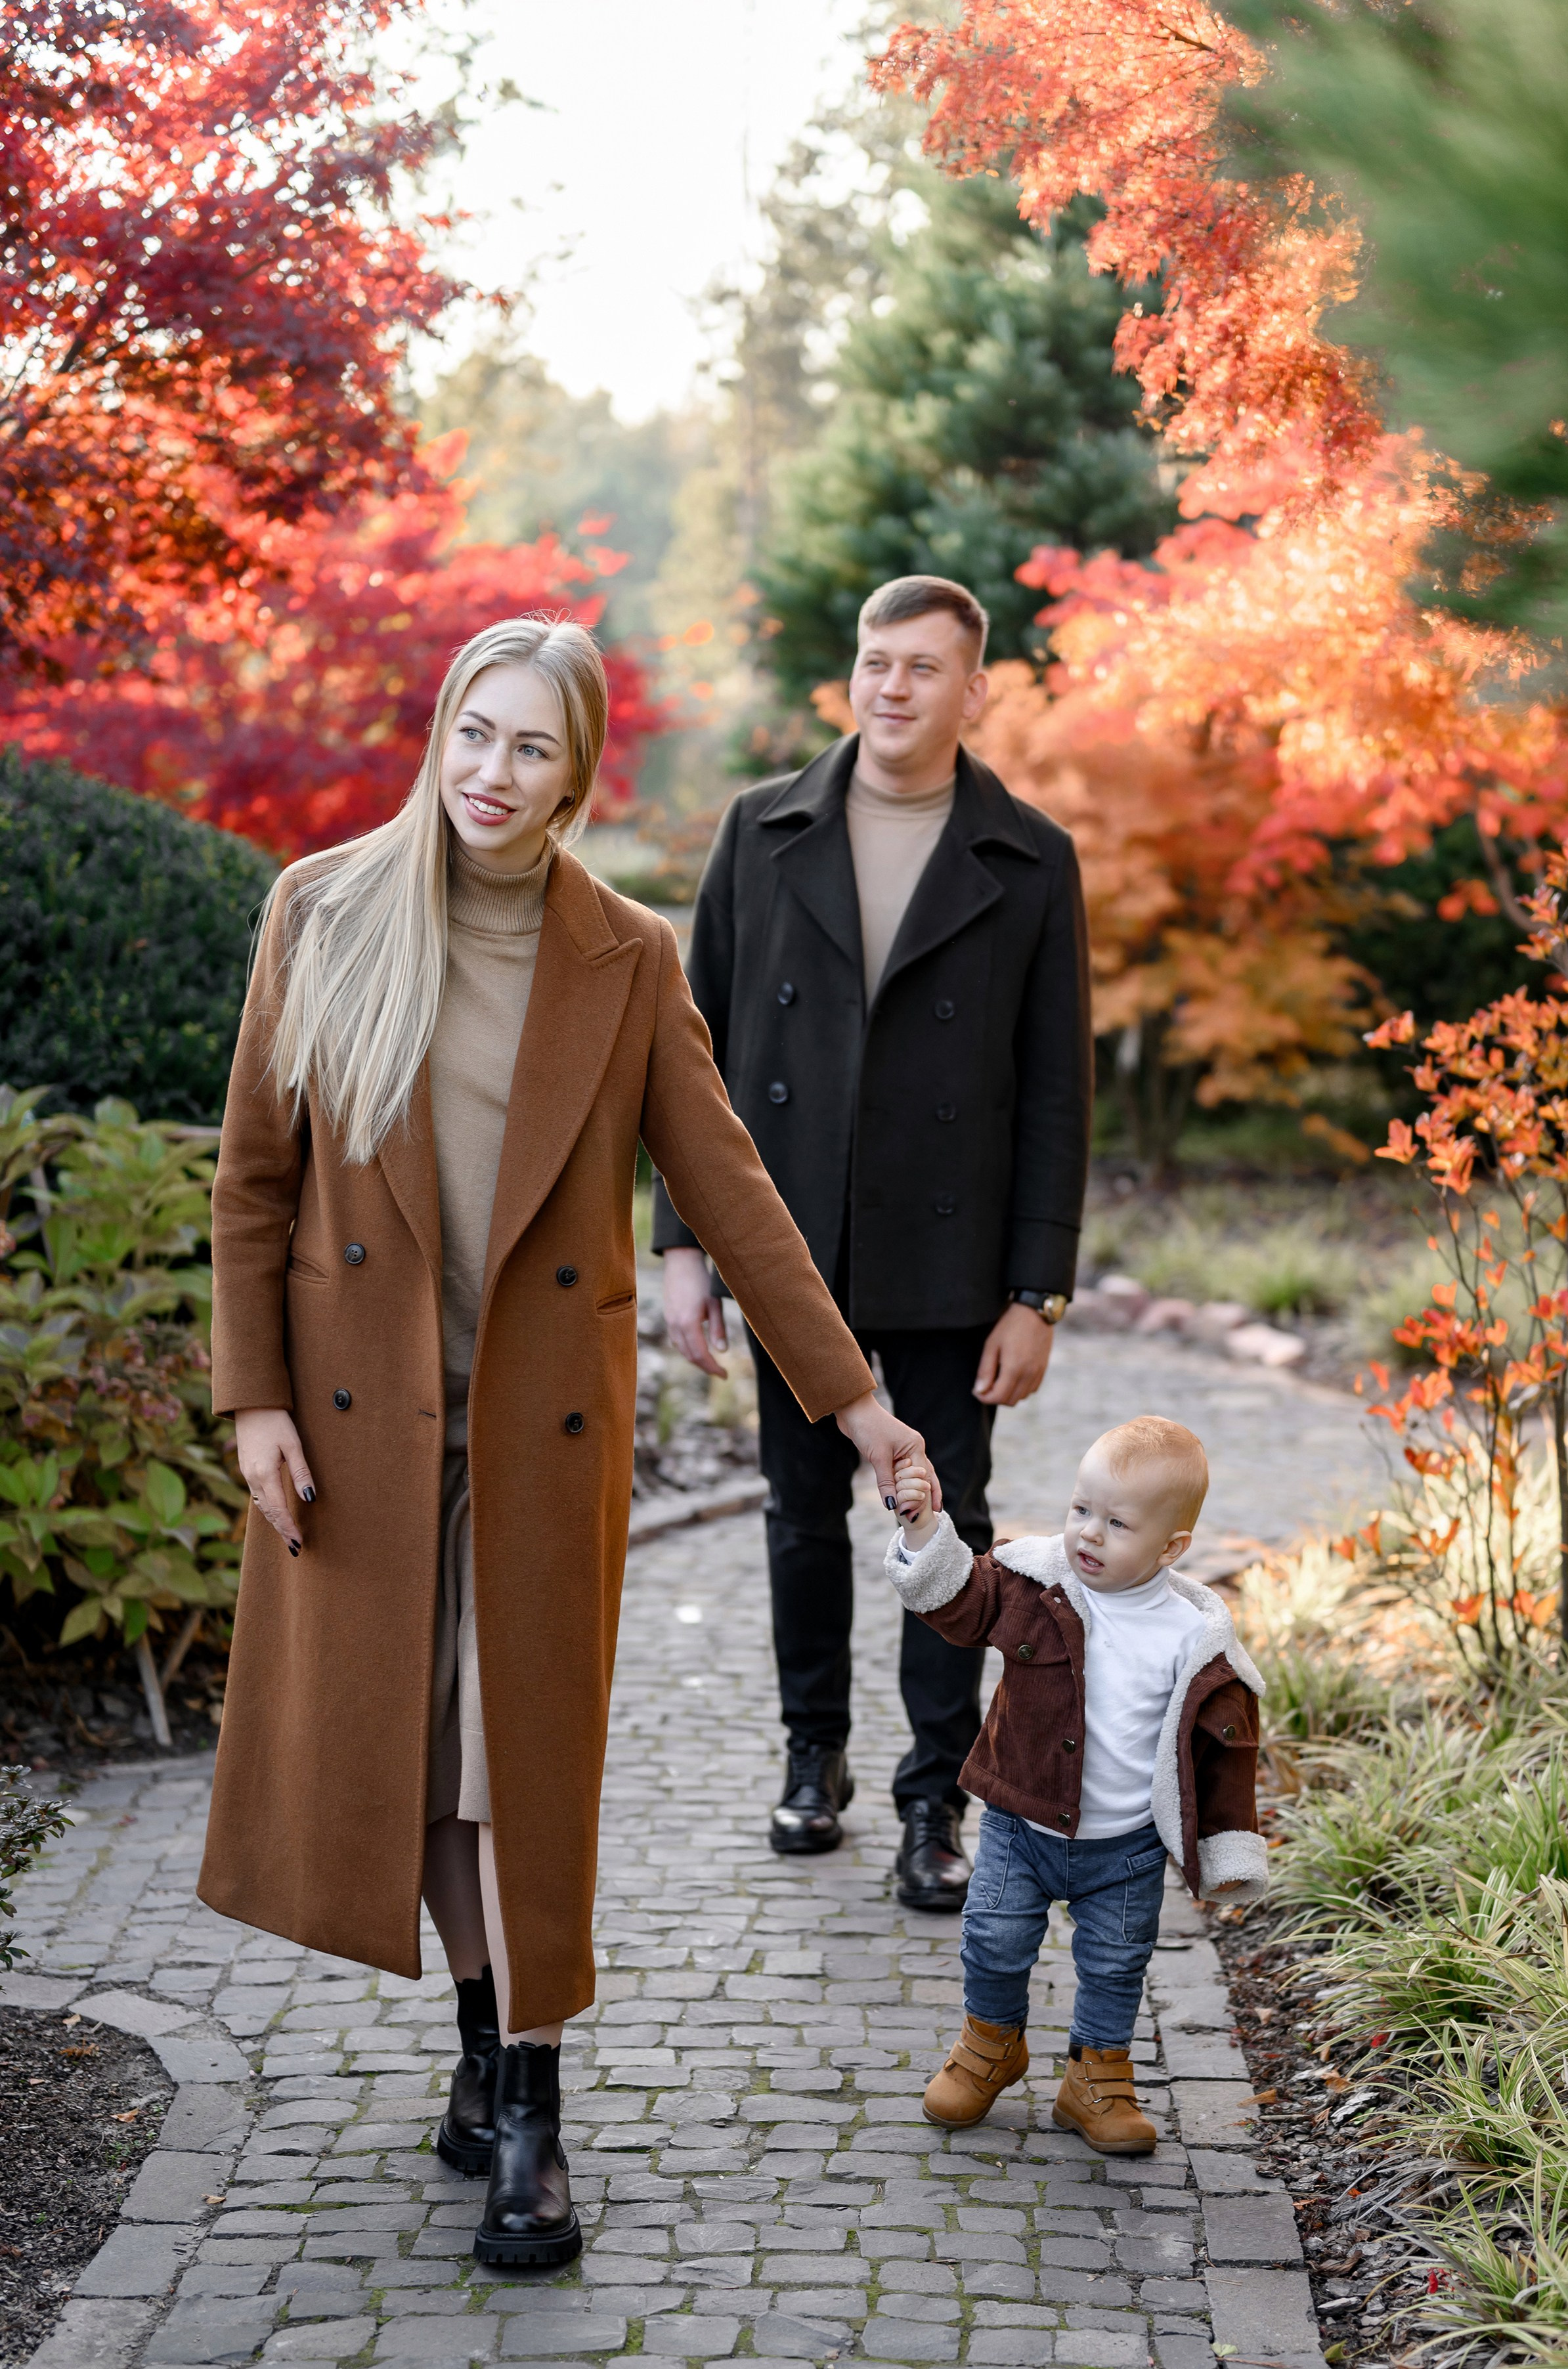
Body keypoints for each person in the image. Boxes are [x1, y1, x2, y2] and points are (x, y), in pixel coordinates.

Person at [199, 615, 939, 2271]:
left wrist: (857, 1400)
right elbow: (253, 1180)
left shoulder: (622, 955)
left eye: (533, 746)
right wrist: (250, 1398)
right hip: (354, 1429)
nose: (493, 771)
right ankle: (481, 2028)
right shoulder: (320, 913)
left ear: (576, 771)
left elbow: (730, 1191)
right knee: (424, 1763)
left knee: (512, 1768)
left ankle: (528, 2097)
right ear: (440, 730)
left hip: (542, 1430)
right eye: (477, 730)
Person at [653, 573, 1092, 1910]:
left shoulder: (1029, 858)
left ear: (974, 689)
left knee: (943, 1530)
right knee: (799, 1522)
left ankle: (933, 1799)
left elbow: (1056, 1089)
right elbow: (690, 1054)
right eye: (873, 661)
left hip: (952, 1272)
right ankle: (813, 1759)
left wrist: (1039, 1292)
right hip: (794, 1249)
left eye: (921, 668)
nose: (891, 687)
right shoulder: (763, 830)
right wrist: (684, 1244)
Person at [887, 1417, 1269, 2152]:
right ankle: (990, 2044)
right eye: (1080, 1509)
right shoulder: (1034, 1587)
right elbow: (959, 1600)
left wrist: (1225, 1854)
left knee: (1116, 1962)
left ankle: (1095, 2077)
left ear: (1171, 1547)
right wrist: (923, 1530)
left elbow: (1227, 1750)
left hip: (1124, 1847)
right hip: (1021, 1825)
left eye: (1117, 1523)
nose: (1088, 1534)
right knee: (993, 1940)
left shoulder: (1195, 1640)